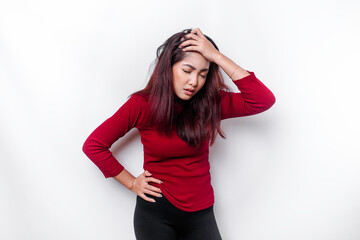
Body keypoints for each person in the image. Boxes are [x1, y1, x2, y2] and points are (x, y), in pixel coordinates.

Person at [82, 28, 276, 240]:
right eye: (187, 70)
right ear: (169, 67)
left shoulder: (211, 104)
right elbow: (94, 145)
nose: (194, 81)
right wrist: (131, 182)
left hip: (202, 212)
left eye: (203, 74)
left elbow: (262, 100)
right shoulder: (141, 105)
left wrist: (217, 57)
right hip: (156, 213)